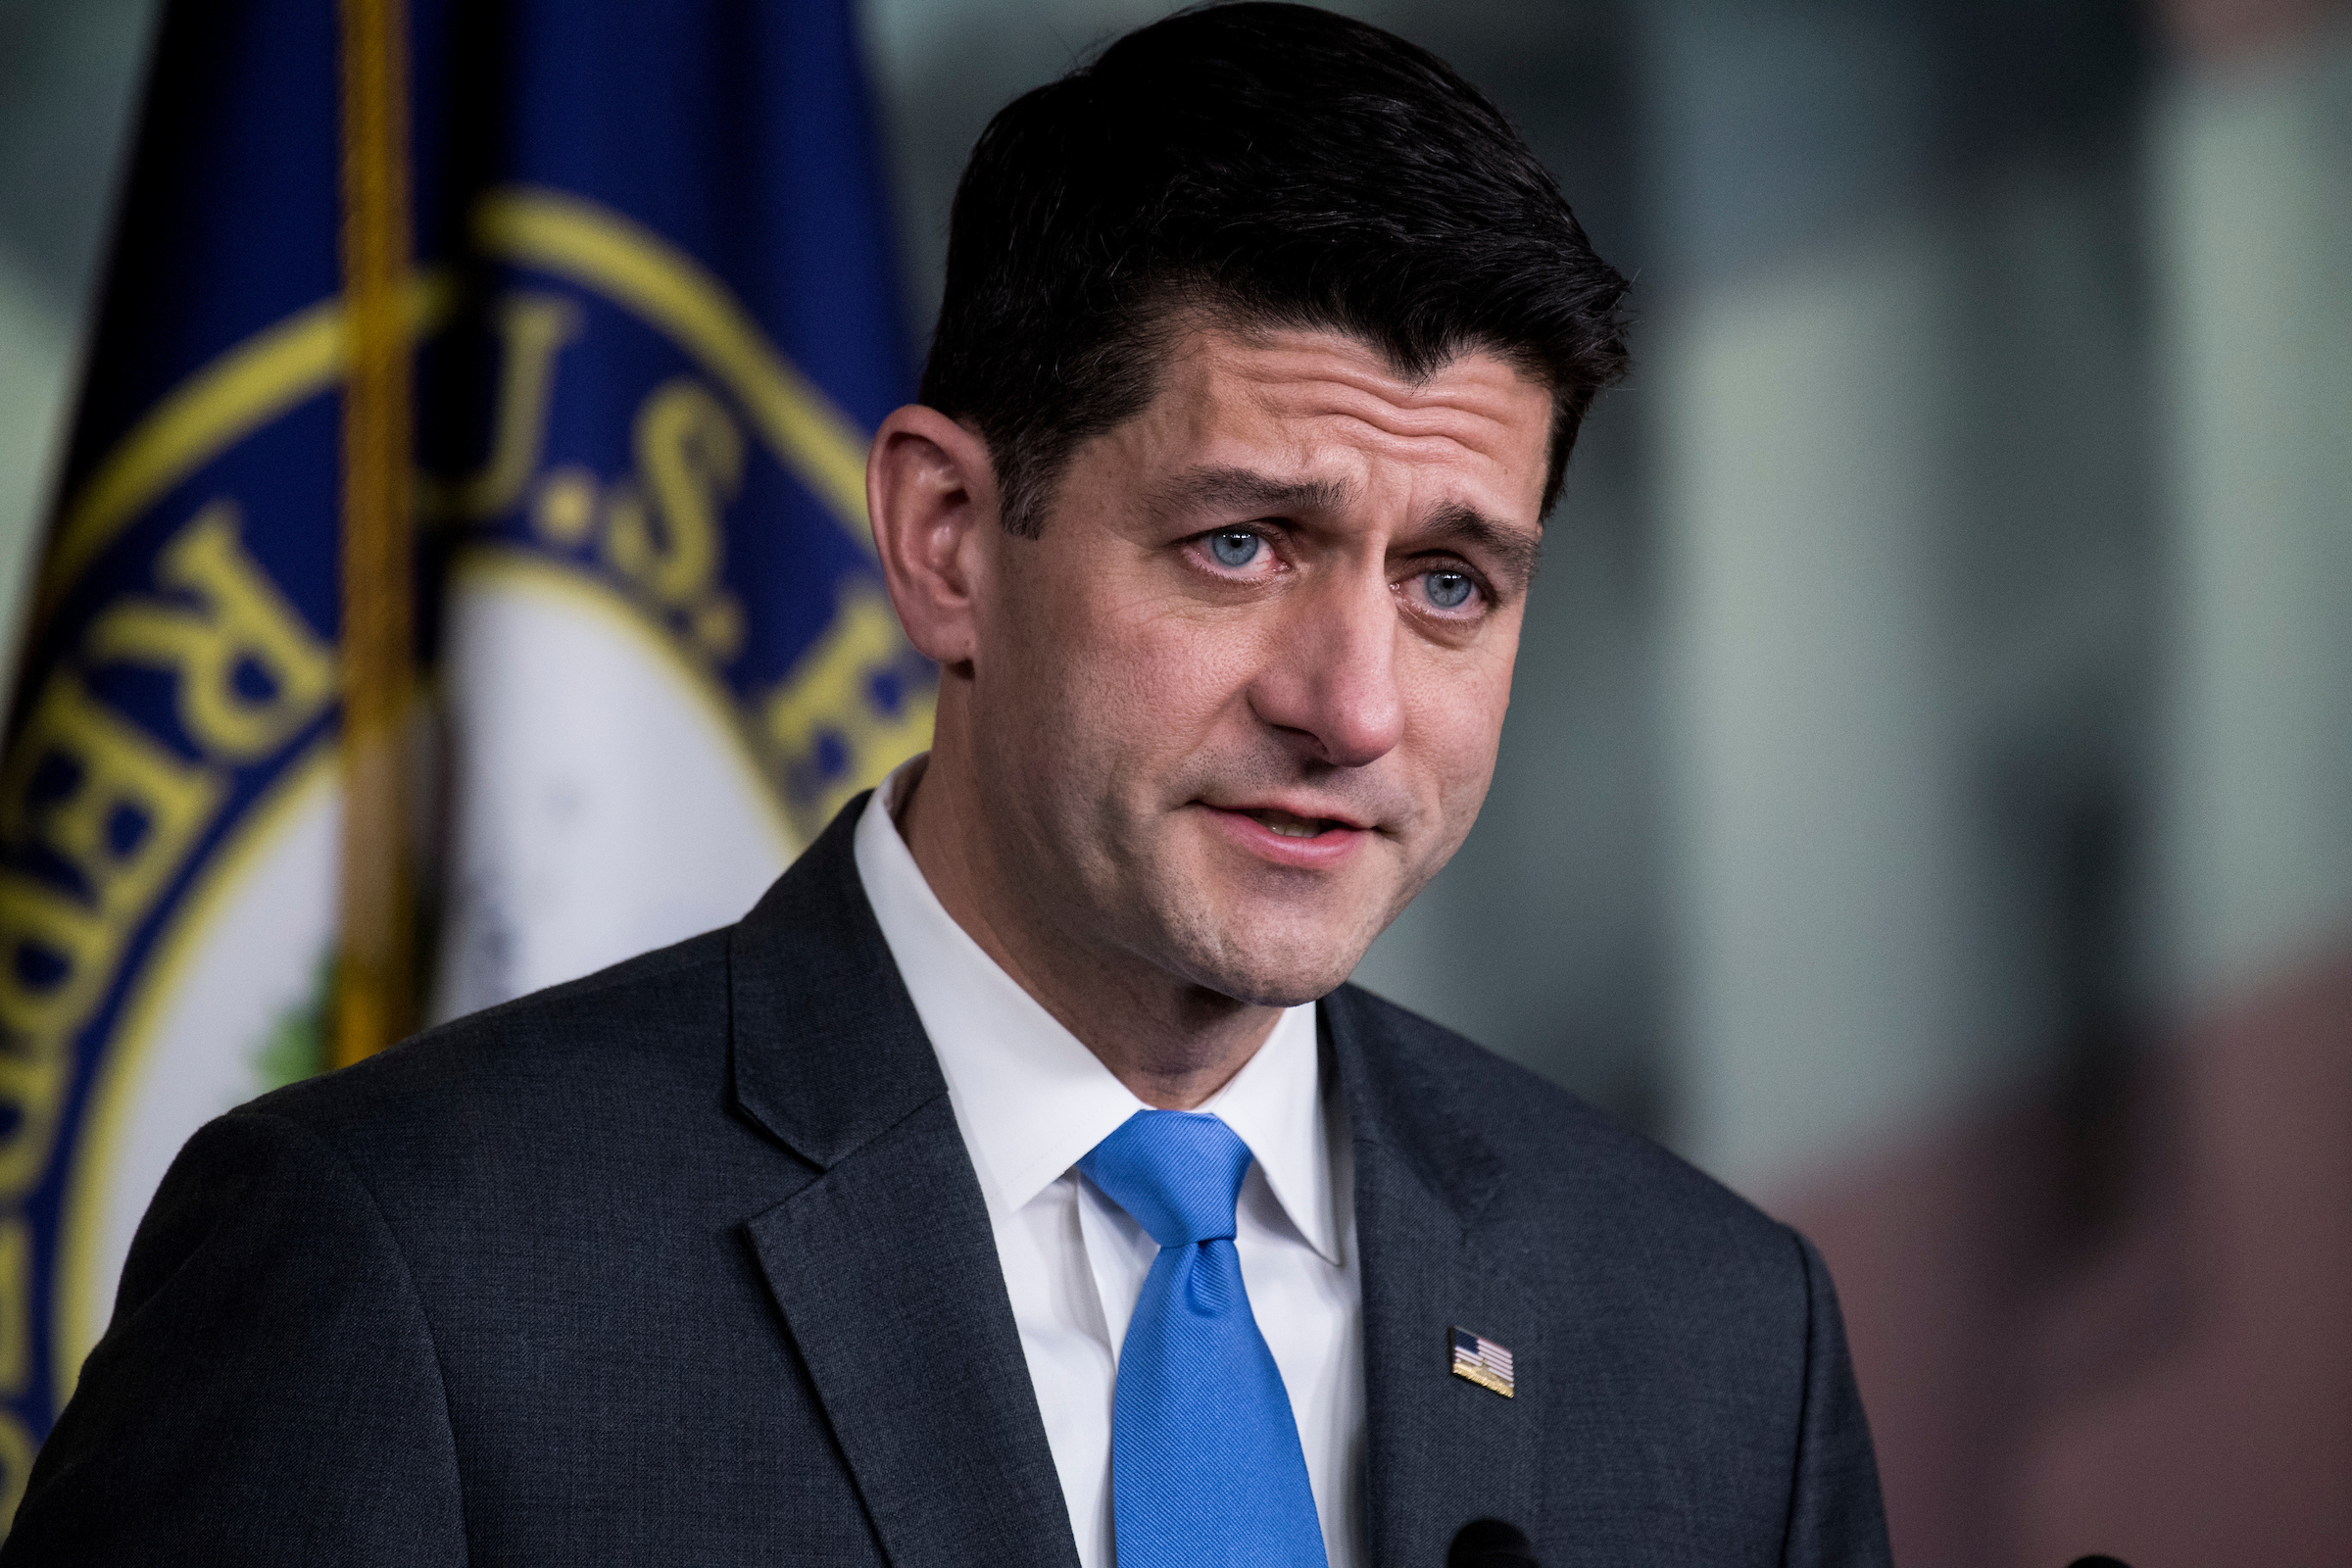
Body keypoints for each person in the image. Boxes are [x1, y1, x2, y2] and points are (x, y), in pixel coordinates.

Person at [4, 5, 1891, 1564]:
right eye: (1241, 543)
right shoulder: (402, 1271)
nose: (1355, 707)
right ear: (946, 541)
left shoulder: (1720, 1344)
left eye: (1451, 583)